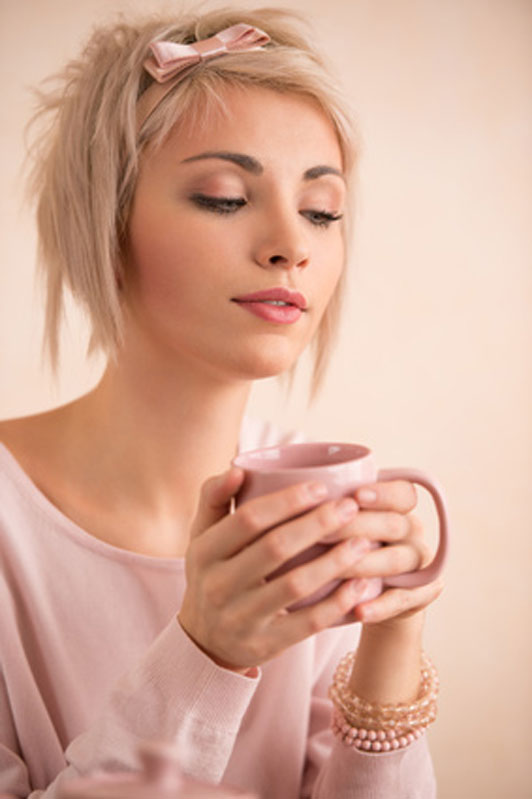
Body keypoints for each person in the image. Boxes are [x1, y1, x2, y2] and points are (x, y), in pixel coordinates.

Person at [0, 6, 444, 798]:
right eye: (223, 196)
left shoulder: (315, 512)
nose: (292, 244)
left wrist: (392, 638)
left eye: (322, 210)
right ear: (106, 225)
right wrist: (202, 653)